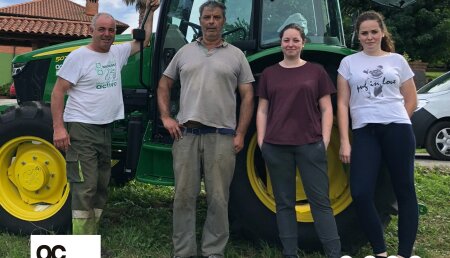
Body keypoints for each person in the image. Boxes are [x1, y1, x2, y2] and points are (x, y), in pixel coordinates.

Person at [51, 0, 160, 235]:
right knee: (85, 187)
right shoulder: (78, 57)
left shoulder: (117, 52)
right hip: (82, 129)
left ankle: (90, 235)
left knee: (101, 186)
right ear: (92, 31)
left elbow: (144, 39)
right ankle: (82, 248)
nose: (107, 34)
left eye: (111, 30)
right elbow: (58, 91)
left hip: (105, 129)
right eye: (101, 29)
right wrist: (59, 128)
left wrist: (150, 11)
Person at [157, 1, 254, 257]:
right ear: (200, 20)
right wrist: (166, 117)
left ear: (224, 21)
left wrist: (241, 133)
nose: (211, 21)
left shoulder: (236, 55)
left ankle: (213, 251)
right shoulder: (185, 52)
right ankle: (184, 251)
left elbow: (248, 95)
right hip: (186, 135)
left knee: (219, 200)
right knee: (183, 197)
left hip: (221, 137)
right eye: (207, 17)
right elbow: (164, 84)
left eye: (217, 17)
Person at [337, 11, 418, 258]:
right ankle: (380, 252)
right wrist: (343, 140)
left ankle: (404, 253)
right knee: (361, 192)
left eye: (374, 32)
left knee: (404, 190)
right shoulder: (349, 63)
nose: (369, 37)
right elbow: (342, 104)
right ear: (358, 36)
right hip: (365, 132)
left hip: (397, 128)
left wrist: (399, 119)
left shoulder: (397, 61)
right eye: (364, 33)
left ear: (382, 33)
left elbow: (411, 98)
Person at [256, 23, 341, 258]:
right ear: (280, 43)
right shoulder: (270, 74)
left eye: (295, 40)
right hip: (276, 147)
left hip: (309, 145)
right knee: (284, 204)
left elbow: (326, 109)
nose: (290, 44)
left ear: (303, 43)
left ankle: (333, 252)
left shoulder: (316, 72)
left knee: (320, 202)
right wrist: (262, 142)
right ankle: (289, 253)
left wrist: (323, 141)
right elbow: (262, 110)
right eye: (286, 40)